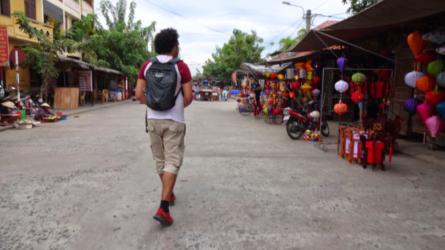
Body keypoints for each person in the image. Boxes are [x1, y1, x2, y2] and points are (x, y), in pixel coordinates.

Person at [135, 28, 193, 226]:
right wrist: (175, 107)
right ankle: (163, 207)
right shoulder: (182, 67)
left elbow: (139, 95)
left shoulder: (147, 65)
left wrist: (154, 106)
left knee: (160, 160)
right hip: (174, 121)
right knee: (173, 161)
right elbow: (188, 98)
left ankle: (169, 194)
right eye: (177, 45)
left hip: (152, 119)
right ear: (173, 47)